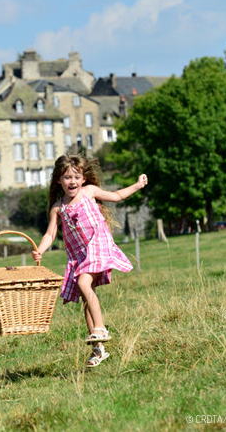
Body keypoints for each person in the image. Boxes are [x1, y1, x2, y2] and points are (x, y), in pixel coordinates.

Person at [32, 154, 147, 368]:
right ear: (59, 180)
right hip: (79, 256)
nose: (72, 181)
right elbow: (50, 234)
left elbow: (117, 195)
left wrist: (137, 185)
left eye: (76, 176)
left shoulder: (89, 193)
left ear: (84, 178)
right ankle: (99, 350)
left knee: (84, 284)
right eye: (67, 177)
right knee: (86, 298)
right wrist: (39, 250)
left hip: (98, 245)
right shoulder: (58, 208)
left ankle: (100, 328)